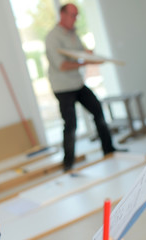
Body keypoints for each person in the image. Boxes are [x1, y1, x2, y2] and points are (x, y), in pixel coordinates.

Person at [45, 3, 121, 172]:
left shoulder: (74, 34)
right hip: (63, 87)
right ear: (62, 15)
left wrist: (90, 55)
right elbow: (62, 65)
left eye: (76, 16)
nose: (75, 19)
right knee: (71, 124)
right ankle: (68, 164)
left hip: (77, 84)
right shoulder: (52, 37)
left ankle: (109, 150)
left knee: (97, 110)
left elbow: (80, 52)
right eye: (72, 15)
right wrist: (85, 61)